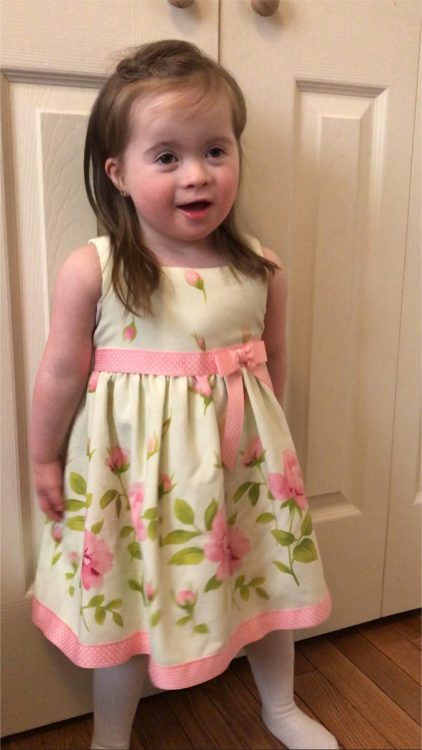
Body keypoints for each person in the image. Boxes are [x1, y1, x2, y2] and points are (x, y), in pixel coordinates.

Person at [30, 40, 338, 750]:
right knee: (126, 606)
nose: (196, 175)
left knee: (266, 585)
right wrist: (45, 460)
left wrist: (269, 458)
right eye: (166, 156)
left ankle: (279, 705)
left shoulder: (259, 267)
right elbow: (58, 373)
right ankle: (112, 733)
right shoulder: (96, 270)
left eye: (215, 151)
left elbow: (273, 365)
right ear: (119, 172)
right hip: (134, 485)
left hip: (242, 475)